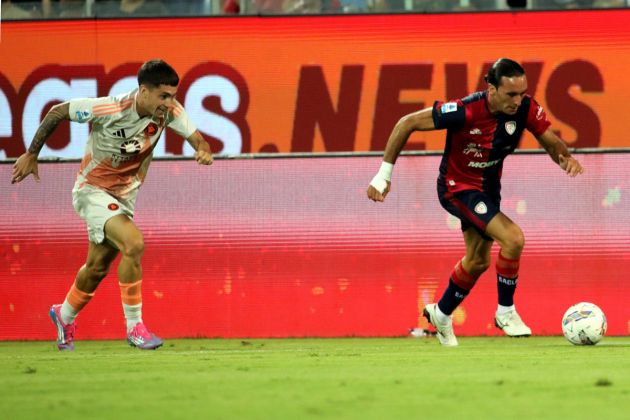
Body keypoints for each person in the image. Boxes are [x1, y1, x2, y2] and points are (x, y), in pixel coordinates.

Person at [367, 58, 583, 346]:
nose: (518, 101)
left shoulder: (526, 109)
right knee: (514, 239)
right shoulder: (464, 111)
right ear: (491, 88)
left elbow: (550, 140)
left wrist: (564, 158)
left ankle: (441, 314)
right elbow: (406, 123)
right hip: (457, 189)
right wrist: (383, 175)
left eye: (522, 93)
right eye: (510, 94)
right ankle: (506, 312)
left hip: (487, 191)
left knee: (478, 261)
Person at [11, 59, 214, 351]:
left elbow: (199, 140)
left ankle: (63, 314)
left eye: (174, 96)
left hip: (124, 197)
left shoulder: (168, 113)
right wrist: (32, 154)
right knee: (134, 244)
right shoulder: (110, 108)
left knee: (97, 267)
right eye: (164, 96)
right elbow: (58, 111)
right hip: (92, 190)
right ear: (143, 91)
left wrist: (203, 152)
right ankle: (135, 328)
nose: (171, 103)